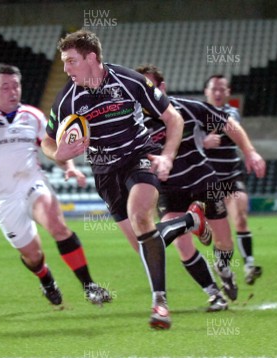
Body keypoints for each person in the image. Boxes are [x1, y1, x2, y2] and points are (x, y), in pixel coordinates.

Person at [42, 30, 208, 329]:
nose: (66, 69)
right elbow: (46, 141)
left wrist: (167, 156)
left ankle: (160, 304)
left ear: (92, 58)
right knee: (144, 244)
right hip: (105, 174)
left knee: (140, 216)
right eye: (64, 62)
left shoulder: (129, 80)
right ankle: (189, 221)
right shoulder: (67, 98)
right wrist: (59, 154)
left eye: (71, 61)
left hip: (138, 158)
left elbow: (173, 118)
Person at [0, 63, 111, 307]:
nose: (13, 91)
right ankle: (46, 280)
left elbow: (51, 147)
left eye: (16, 86)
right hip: (2, 197)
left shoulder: (33, 116)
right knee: (33, 255)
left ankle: (90, 287)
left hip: (32, 184)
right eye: (5, 87)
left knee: (57, 226)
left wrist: (70, 167)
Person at [136, 65, 266, 307]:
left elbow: (229, 124)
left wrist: (250, 152)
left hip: (203, 181)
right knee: (181, 245)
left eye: (148, 87)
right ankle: (214, 294)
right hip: (168, 189)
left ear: (161, 88)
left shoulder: (185, 107)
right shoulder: (133, 123)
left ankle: (224, 268)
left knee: (224, 242)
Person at [204, 75, 263, 285]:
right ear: (206, 92)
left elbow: (229, 126)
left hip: (230, 175)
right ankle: (223, 267)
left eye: (222, 89)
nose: (218, 93)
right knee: (221, 233)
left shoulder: (231, 112)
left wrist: (202, 136)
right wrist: (202, 141)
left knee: (240, 217)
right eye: (214, 89)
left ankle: (249, 265)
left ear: (228, 92)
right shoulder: (196, 113)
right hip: (207, 181)